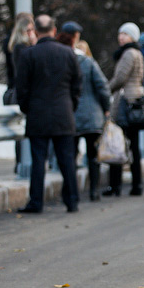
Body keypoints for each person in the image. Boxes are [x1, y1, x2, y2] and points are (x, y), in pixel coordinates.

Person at [15, 15, 81, 213]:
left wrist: (28, 108)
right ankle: (72, 201)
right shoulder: (69, 54)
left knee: (38, 161)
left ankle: (36, 202)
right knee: (67, 160)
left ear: (35, 31)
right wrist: (70, 106)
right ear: (54, 30)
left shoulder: (29, 55)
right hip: (63, 113)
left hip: (38, 113)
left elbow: (22, 89)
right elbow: (77, 86)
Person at [59, 23, 111, 202]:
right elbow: (102, 86)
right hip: (92, 117)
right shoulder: (88, 62)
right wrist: (106, 108)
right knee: (92, 156)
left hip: (70, 115)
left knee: (70, 156)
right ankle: (93, 191)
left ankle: (71, 192)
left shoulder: (62, 60)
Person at [106, 22, 144, 197]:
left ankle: (115, 185)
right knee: (134, 147)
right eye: (120, 34)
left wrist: (105, 89)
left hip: (125, 104)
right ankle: (136, 184)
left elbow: (120, 78)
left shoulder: (128, 53)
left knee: (117, 145)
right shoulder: (137, 52)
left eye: (125, 34)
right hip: (135, 101)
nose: (121, 37)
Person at [3, 13, 36, 171]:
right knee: (22, 132)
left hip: (20, 92)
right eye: (28, 30)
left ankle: (22, 163)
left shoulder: (18, 47)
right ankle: (22, 163)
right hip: (22, 93)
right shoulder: (21, 49)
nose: (32, 33)